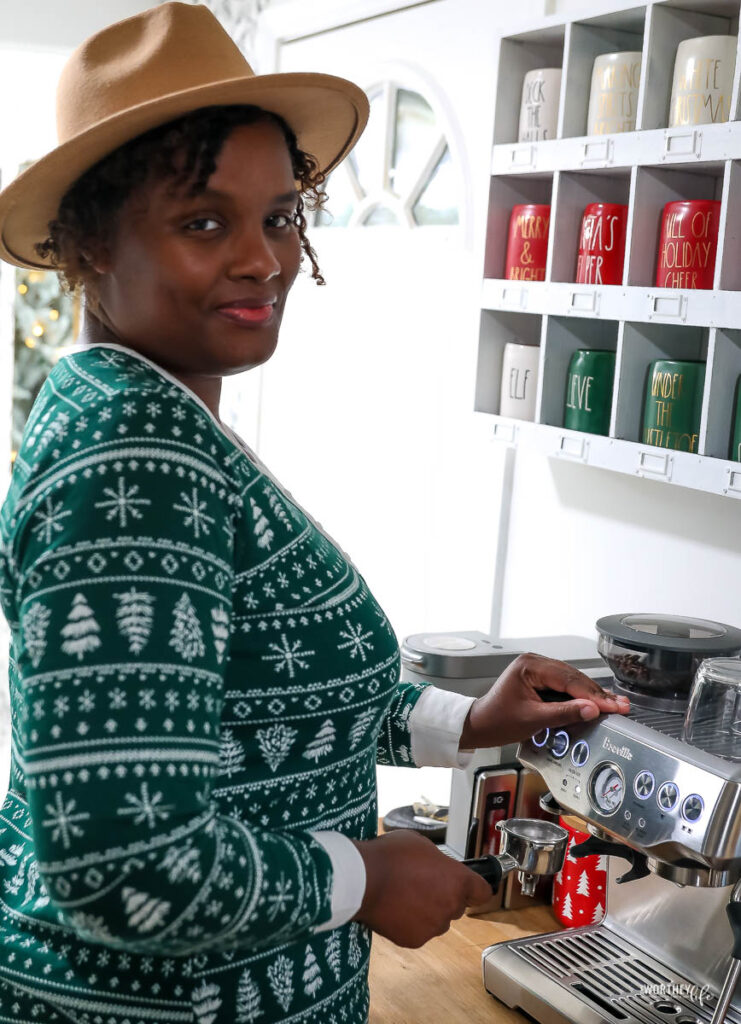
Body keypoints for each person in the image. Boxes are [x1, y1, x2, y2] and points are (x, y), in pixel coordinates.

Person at [0, 4, 629, 1022]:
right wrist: (363, 879)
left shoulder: (157, 417)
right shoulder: (136, 456)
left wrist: (465, 720)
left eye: (282, 214)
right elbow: (121, 859)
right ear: (88, 241)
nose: (266, 257)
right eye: (207, 221)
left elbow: (261, 706)